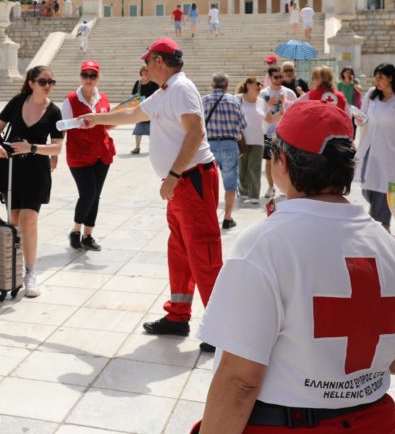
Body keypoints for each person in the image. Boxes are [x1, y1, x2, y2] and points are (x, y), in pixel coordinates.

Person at [197, 100, 395, 433]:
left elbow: (239, 380)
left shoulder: (264, 246)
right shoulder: (387, 244)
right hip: (376, 422)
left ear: (281, 162)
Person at [81, 38, 221, 352]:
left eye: (148, 60)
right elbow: (133, 115)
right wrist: (95, 120)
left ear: (159, 61)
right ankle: (178, 315)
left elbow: (196, 132)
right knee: (181, 251)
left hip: (191, 180)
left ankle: (219, 326)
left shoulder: (182, 89)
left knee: (203, 253)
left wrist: (172, 175)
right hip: (181, 185)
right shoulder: (166, 92)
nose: (145, 67)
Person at [0, 65, 64, 297]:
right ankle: (17, 267)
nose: (48, 86)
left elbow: (58, 147)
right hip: (11, 169)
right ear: (31, 83)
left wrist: (32, 147)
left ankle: (31, 272)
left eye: (52, 82)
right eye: (43, 82)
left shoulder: (55, 111)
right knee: (14, 220)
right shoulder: (18, 101)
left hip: (36, 171)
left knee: (28, 218)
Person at [355, 63, 395, 229]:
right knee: (367, 187)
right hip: (370, 149)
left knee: (384, 189)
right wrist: (359, 119)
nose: (376, 81)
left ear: (390, 78)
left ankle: (382, 225)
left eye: (380, 77)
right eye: (376, 77)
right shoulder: (371, 95)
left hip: (391, 153)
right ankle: (377, 218)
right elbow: (364, 117)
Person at [60, 60, 115, 251]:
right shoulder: (71, 99)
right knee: (88, 193)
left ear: (98, 77)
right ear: (80, 77)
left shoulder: (103, 98)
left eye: (93, 75)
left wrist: (111, 122)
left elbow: (107, 123)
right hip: (79, 155)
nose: (89, 79)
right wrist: (77, 122)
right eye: (85, 75)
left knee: (96, 195)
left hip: (102, 153)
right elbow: (61, 126)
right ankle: (76, 231)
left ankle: (88, 235)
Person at [202, 73, 246, 229]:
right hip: (229, 144)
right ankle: (227, 218)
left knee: (208, 184)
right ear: (227, 86)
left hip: (209, 146)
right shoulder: (234, 100)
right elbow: (243, 124)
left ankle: (210, 218)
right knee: (230, 183)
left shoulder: (204, 100)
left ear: (212, 85)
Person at [261, 67, 297, 199]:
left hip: (286, 131)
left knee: (288, 160)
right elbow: (263, 114)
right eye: (276, 77)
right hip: (269, 131)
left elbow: (294, 111)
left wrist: (284, 102)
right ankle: (271, 187)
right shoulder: (263, 93)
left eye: (280, 77)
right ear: (270, 78)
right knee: (270, 160)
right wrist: (270, 104)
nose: (279, 79)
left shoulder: (289, 93)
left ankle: (286, 186)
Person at [236, 77, 269, 204]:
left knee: (254, 167)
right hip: (241, 139)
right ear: (248, 85)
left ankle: (254, 195)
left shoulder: (262, 102)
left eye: (261, 84)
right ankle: (243, 193)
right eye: (257, 84)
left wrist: (280, 113)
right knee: (242, 167)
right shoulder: (237, 99)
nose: (260, 86)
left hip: (258, 139)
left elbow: (269, 119)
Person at [131, 66, 158, 155]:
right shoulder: (138, 83)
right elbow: (134, 95)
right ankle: (137, 147)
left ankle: (153, 148)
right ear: (141, 72)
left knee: (152, 130)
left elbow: (158, 95)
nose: (146, 72)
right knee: (138, 128)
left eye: (147, 71)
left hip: (151, 109)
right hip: (141, 108)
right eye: (144, 71)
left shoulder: (154, 83)